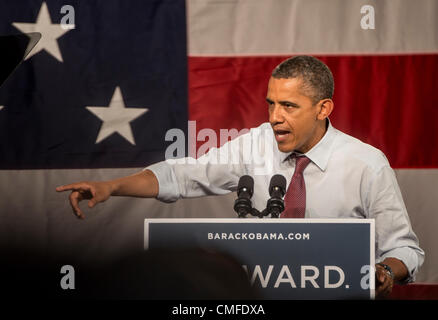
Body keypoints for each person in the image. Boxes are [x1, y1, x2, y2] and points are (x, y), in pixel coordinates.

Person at [56, 55, 424, 299]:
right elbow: (184, 176)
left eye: (289, 106)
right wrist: (111, 187)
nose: (275, 117)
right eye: (271, 103)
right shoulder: (254, 144)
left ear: (323, 108)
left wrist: (385, 272)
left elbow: (404, 249)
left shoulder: (366, 163)